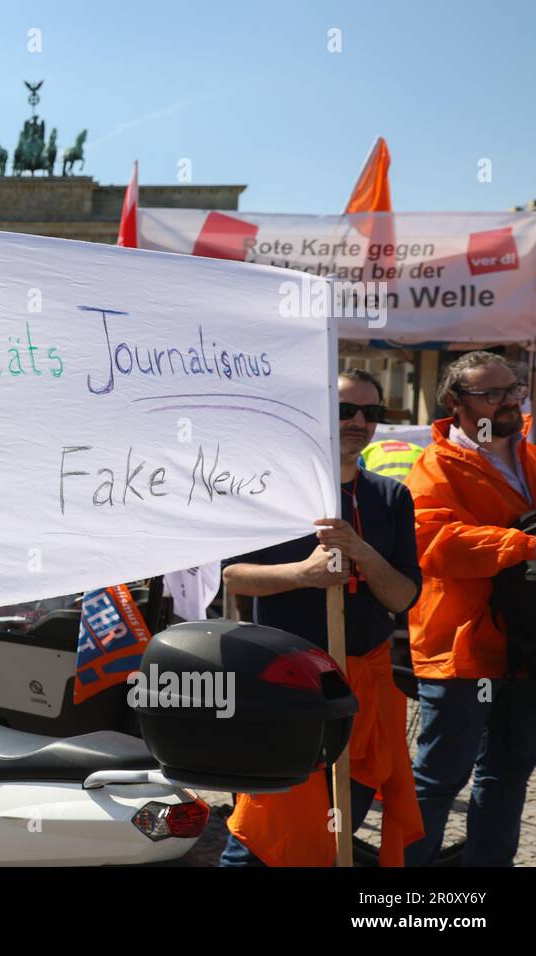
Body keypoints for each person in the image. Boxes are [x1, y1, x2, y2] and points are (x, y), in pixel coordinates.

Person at [220, 369, 423, 866]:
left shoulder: (391, 497)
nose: (358, 421)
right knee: (261, 835)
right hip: (287, 687)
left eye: (370, 413)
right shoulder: (275, 490)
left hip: (360, 694)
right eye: (344, 411)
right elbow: (234, 577)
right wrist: (303, 573)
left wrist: (363, 554)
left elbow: (401, 598)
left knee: (339, 831)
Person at [403, 351, 536, 866]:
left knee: (507, 775)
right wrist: (522, 544)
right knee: (438, 780)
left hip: (521, 646)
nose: (508, 401)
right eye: (493, 393)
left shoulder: (527, 455)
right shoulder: (434, 466)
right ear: (455, 402)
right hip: (459, 646)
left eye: (513, 389)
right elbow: (434, 544)